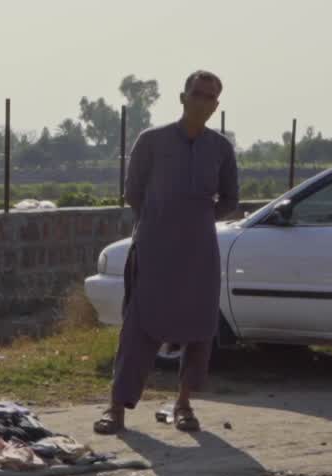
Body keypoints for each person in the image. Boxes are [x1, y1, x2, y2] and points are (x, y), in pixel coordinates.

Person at [93, 70, 239, 435]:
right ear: (182, 97)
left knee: (200, 329)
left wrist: (197, 219)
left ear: (216, 105)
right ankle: (116, 408)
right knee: (138, 328)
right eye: (197, 94)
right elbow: (134, 193)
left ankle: (184, 403)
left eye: (210, 97)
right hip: (154, 249)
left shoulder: (220, 148)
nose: (202, 102)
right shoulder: (152, 141)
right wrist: (162, 219)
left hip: (199, 252)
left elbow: (230, 200)